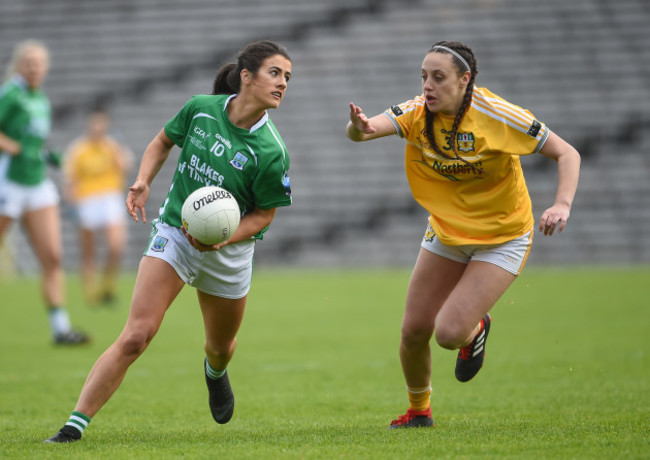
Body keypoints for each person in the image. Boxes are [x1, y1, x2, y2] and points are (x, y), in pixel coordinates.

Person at [45, 40, 293, 443]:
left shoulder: (271, 151)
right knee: (136, 335)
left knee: (221, 346)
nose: (283, 83)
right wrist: (143, 181)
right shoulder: (201, 108)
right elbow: (162, 142)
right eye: (275, 73)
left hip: (227, 253)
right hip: (175, 233)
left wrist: (223, 238)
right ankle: (74, 425)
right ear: (246, 76)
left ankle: (215, 372)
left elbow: (264, 216)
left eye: (287, 77)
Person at [346, 40, 580, 429]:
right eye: (423, 77)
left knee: (449, 333)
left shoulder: (498, 113)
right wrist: (358, 129)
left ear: (464, 79)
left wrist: (562, 205)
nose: (427, 86)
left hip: (503, 236)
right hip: (447, 230)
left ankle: (477, 327)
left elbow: (567, 153)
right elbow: (366, 131)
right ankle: (419, 412)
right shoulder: (418, 112)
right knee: (413, 329)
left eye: (438, 77)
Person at [0, 40, 89, 345]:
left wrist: (47, 154)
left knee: (52, 256)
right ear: (19, 65)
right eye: (30, 63)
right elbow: (10, 139)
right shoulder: (10, 94)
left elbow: (32, 140)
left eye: (39, 64)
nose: (35, 68)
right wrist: (10, 146)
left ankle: (60, 329)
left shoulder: (40, 99)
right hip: (8, 182)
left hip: (36, 183)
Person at [63, 109, 133, 306]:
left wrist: (118, 150)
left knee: (115, 245)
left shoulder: (112, 146)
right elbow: (71, 179)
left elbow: (125, 166)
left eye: (101, 123)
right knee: (89, 249)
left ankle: (108, 285)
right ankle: (90, 292)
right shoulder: (78, 149)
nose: (97, 128)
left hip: (110, 197)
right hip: (87, 199)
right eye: (94, 123)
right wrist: (73, 204)